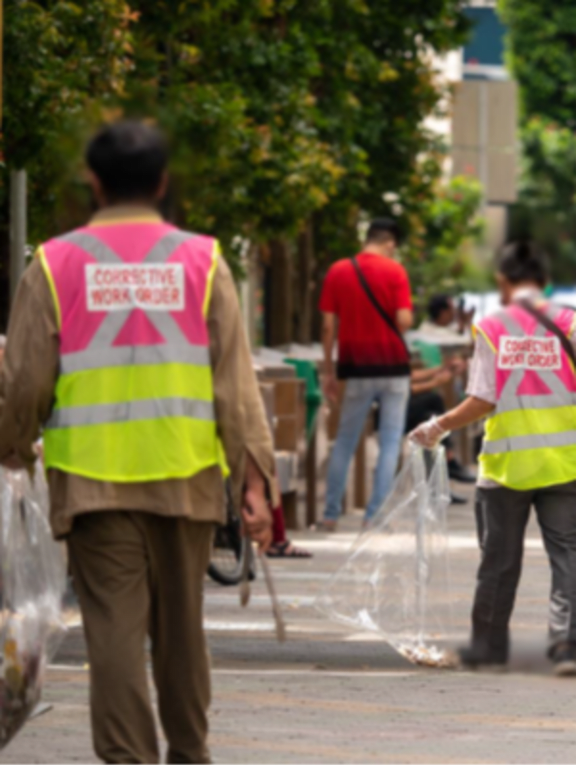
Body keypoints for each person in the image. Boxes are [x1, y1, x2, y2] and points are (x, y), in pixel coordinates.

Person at [0, 120, 277, 763]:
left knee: (115, 638)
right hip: (186, 477)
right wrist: (255, 482)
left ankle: (129, 759)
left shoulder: (54, 261)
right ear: (161, 182)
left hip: (94, 485)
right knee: (183, 634)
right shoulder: (204, 262)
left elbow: (24, 381)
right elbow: (234, 383)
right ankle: (190, 752)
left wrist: (13, 448)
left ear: (93, 183)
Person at [410, 241, 576, 676]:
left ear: (503, 280)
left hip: (507, 467)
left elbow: (483, 399)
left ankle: (488, 648)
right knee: (569, 557)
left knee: (498, 563)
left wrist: (438, 426)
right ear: (542, 278)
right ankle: (568, 648)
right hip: (566, 463)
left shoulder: (492, 327)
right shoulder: (571, 322)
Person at [319, 218, 413, 530]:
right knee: (389, 441)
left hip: (355, 367)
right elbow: (403, 320)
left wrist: (329, 371)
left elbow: (328, 326)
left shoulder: (338, 271)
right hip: (393, 366)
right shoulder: (395, 272)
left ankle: (331, 514)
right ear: (390, 244)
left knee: (344, 439)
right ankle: (375, 515)